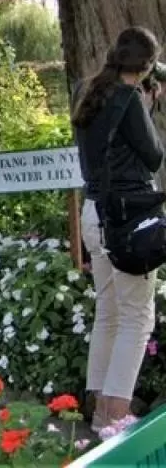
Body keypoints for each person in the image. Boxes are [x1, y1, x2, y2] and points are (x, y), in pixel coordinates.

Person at [72, 26, 163, 431]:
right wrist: (148, 105)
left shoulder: (87, 91)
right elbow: (154, 157)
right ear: (145, 68)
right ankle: (116, 419)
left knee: (107, 314)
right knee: (137, 319)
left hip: (94, 213)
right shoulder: (129, 98)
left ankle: (97, 417)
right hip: (127, 220)